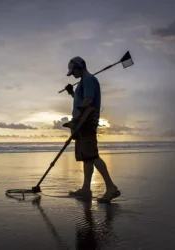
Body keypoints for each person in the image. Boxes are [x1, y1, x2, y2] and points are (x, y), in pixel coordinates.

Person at [62, 56, 120, 202]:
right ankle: (86, 189)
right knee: (87, 158)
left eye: (73, 71)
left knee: (92, 155)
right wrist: (72, 93)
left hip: (86, 122)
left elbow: (88, 102)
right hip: (82, 123)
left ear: (80, 66)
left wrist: (74, 121)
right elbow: (81, 100)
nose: (73, 74)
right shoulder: (83, 82)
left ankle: (111, 188)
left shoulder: (88, 80)